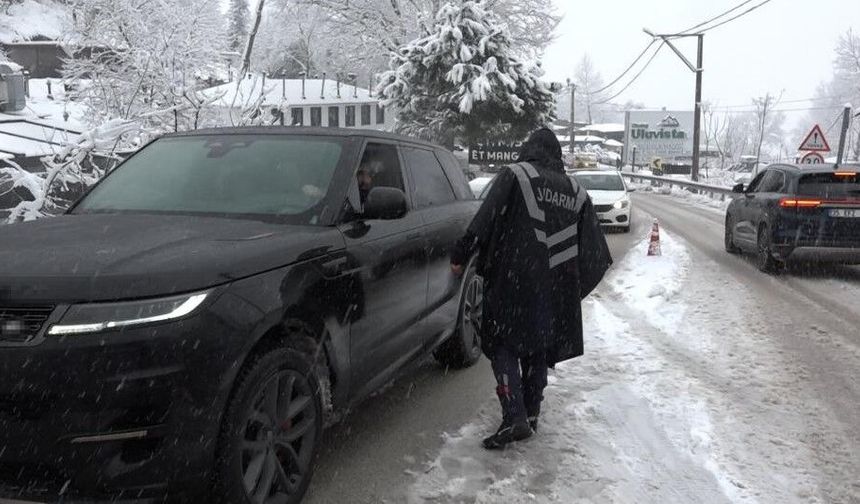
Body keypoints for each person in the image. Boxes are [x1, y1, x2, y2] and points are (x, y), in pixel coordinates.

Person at [450, 127, 613, 450]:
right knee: (539, 345)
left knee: (502, 343)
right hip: (555, 287)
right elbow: (596, 255)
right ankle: (532, 412)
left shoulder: (516, 174)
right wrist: (571, 289)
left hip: (515, 277)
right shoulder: (577, 191)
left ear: (529, 148)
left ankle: (514, 416)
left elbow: (486, 218)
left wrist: (461, 255)